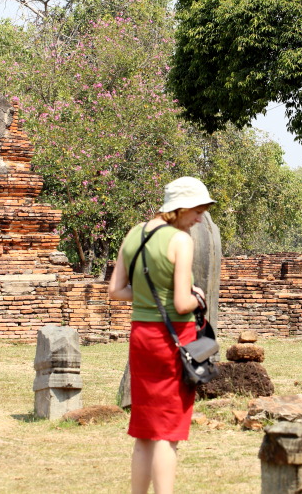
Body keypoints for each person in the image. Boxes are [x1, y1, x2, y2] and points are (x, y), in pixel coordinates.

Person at [108, 176, 215, 494]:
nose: (199, 218)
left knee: (144, 432)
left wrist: (148, 297)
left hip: (142, 336)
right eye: (197, 210)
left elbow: (116, 290)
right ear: (179, 208)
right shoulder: (179, 240)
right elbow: (182, 303)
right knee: (167, 434)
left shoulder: (134, 234)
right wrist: (197, 296)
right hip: (174, 341)